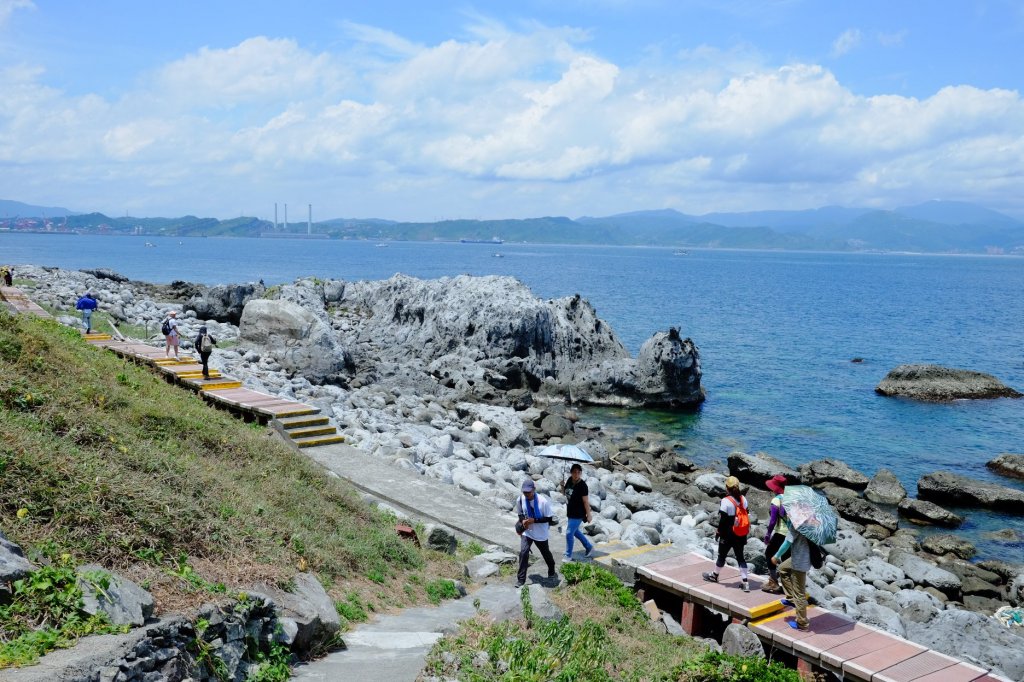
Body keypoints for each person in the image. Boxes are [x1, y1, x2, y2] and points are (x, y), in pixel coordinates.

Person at [702, 476, 751, 592]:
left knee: (721, 556)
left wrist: (718, 532)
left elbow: (723, 520)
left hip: (728, 534)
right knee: (740, 557)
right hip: (740, 533)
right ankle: (745, 583)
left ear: (727, 488)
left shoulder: (725, 501)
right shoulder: (743, 499)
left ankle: (714, 576)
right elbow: (747, 514)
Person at [514, 479, 556, 588]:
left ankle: (551, 569)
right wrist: (523, 520)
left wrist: (535, 520)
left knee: (545, 553)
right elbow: (520, 514)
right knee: (523, 552)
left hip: (541, 533)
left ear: (534, 490)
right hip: (527, 532)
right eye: (525, 492)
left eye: (529, 492)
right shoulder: (520, 499)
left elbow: (549, 518)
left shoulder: (543, 502)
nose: (527, 494)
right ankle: (521, 580)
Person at [772, 527, 812, 631]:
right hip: (803, 557)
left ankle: (802, 624)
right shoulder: (811, 524)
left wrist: (776, 556)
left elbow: (787, 543)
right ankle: (791, 598)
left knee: (799, 594)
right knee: (782, 569)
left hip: (799, 562)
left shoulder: (797, 525)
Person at [761, 474, 789, 594]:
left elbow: (772, 521)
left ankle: (773, 581)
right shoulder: (791, 497)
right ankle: (789, 586)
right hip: (791, 534)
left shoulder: (776, 500)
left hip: (780, 533)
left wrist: (768, 535)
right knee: (786, 559)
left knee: (769, 554)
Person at [562, 463, 594, 561]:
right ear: (571, 472)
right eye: (574, 472)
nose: (576, 474)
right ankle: (589, 547)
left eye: (578, 472)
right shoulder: (569, 481)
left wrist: (588, 515)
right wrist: (561, 486)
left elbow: (585, 501)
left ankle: (568, 555)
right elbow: (565, 493)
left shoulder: (583, 485)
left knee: (569, 532)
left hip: (579, 513)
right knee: (575, 531)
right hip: (570, 511)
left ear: (580, 473)